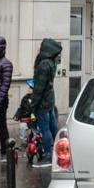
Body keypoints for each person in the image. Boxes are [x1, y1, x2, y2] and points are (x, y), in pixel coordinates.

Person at [30, 37, 61, 167]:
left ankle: (48, 155)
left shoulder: (43, 64)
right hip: (49, 99)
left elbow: (39, 88)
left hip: (43, 101)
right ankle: (61, 151)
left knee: (45, 128)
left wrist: (33, 105)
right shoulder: (50, 62)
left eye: (41, 45)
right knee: (53, 126)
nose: (39, 47)